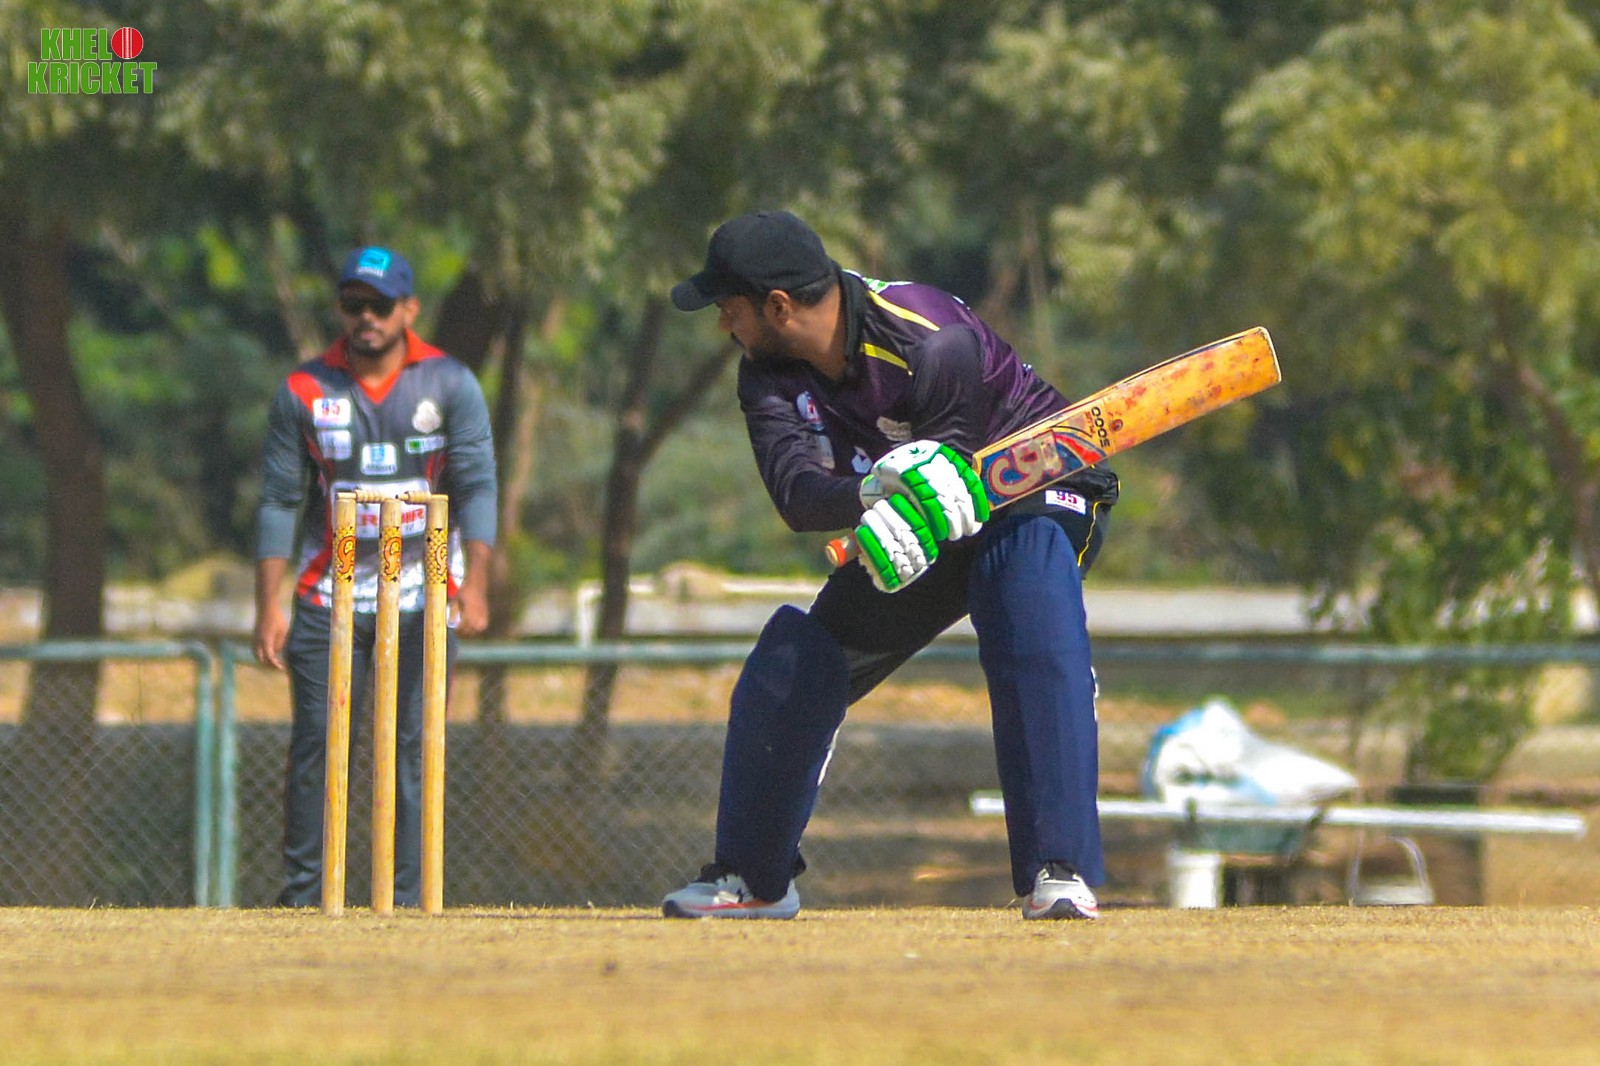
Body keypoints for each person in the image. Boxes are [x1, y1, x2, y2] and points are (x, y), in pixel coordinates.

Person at [661, 211, 1118, 921]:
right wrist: (870, 491)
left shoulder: (929, 335)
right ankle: (753, 878)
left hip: (1038, 489)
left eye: (729, 307)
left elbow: (950, 464)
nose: (723, 325)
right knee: (798, 659)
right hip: (920, 513)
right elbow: (797, 495)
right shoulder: (765, 375)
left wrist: (910, 489)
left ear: (777, 306)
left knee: (1025, 597)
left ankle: (1058, 871)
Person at [252, 245, 498, 908]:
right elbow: (278, 499)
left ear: (408, 310)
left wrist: (476, 585)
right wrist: (267, 604)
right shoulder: (306, 389)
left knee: (412, 747)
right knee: (318, 745)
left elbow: (477, 485)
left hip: (425, 591)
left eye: (380, 305)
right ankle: (304, 898)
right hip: (327, 594)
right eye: (353, 304)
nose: (366, 317)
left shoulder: (449, 383)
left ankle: (407, 898)